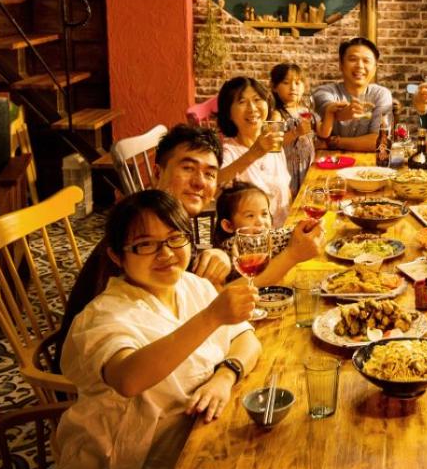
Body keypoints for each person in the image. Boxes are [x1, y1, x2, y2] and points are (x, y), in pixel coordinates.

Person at [54, 190, 293, 469]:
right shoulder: (103, 316)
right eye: (145, 244)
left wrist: (225, 375)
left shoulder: (191, 287)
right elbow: (129, 377)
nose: (165, 254)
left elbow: (247, 339)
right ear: (117, 256)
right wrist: (211, 318)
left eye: (174, 239)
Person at [60, 125, 321, 356]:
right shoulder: (135, 243)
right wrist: (292, 256)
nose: (199, 182)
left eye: (210, 174)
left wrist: (218, 256)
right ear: (157, 173)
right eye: (187, 168)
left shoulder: (179, 228)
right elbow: (103, 353)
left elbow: (201, 299)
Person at [216, 75, 291, 220]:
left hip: (283, 229)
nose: (252, 108)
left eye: (257, 100)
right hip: (251, 233)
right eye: (242, 102)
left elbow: (285, 192)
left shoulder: (274, 145)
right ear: (228, 113)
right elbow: (214, 182)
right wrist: (254, 153)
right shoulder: (228, 152)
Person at [309, 37, 393, 151]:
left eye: (366, 61)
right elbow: (331, 111)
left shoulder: (381, 95)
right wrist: (343, 113)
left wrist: (332, 142)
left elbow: (379, 141)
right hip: (329, 161)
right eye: (353, 59)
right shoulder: (323, 92)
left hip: (368, 161)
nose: (360, 65)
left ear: (374, 69)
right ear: (341, 65)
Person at [270, 62, 316, 192]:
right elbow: (274, 144)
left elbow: (322, 132)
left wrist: (330, 113)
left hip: (308, 165)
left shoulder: (305, 110)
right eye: (286, 83)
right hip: (289, 171)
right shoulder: (277, 114)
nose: (293, 87)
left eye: (297, 82)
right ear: (274, 87)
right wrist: (296, 132)